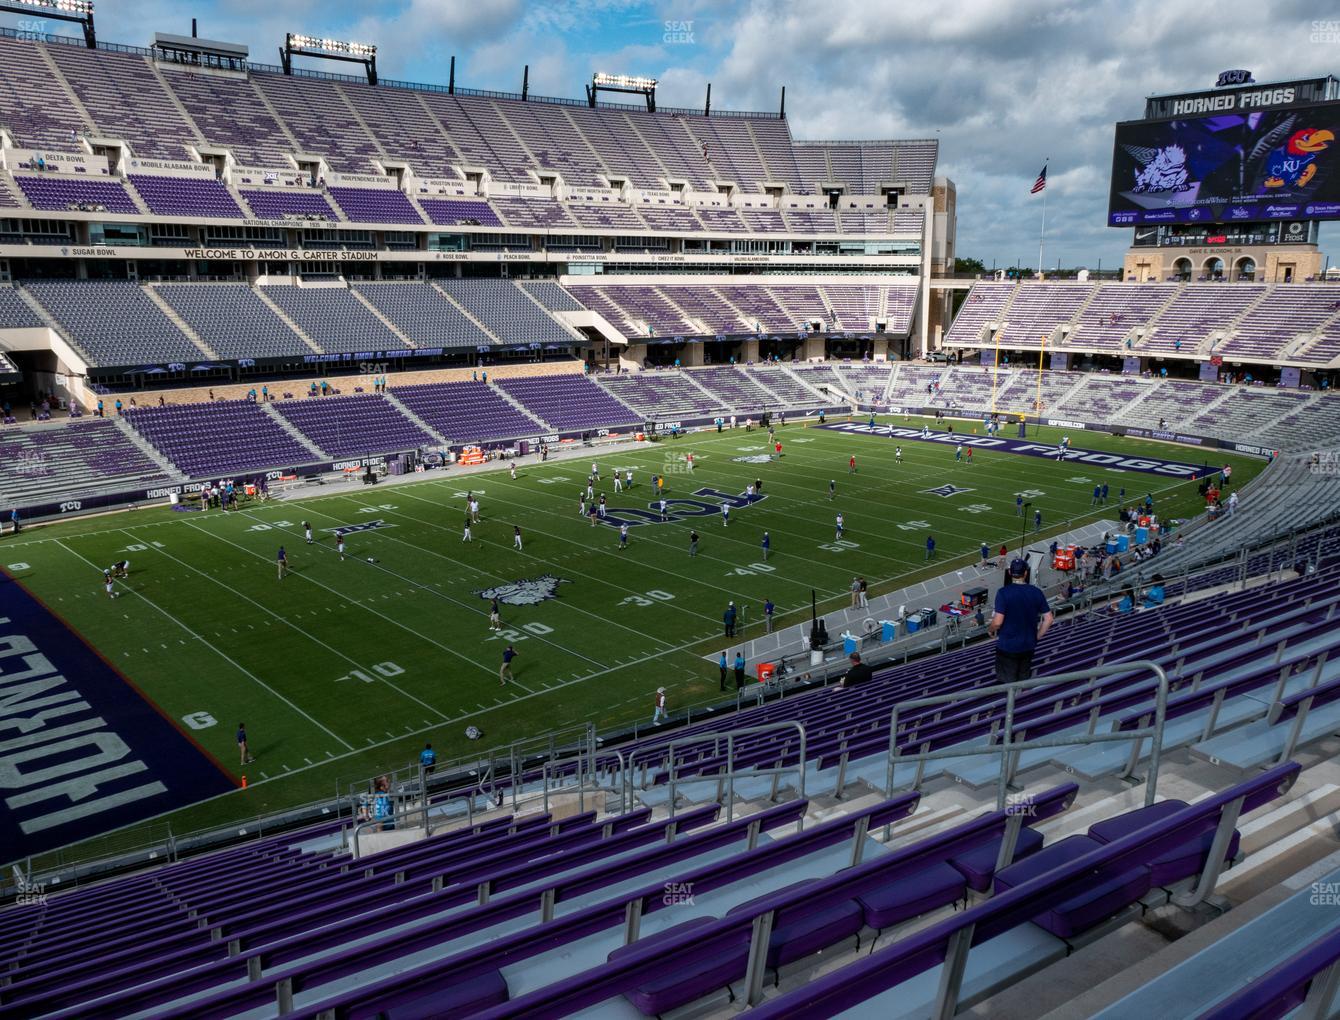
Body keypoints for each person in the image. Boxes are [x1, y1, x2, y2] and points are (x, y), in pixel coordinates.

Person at [988, 559, 1054, 683]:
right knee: (1023, 680)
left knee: (1007, 683)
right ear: (1025, 573)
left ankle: (1009, 701)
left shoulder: (1003, 593)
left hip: (1008, 646)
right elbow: (1049, 619)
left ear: (1009, 572)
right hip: (1028, 645)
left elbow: (997, 622)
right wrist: (1037, 636)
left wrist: (990, 630)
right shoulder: (1036, 592)